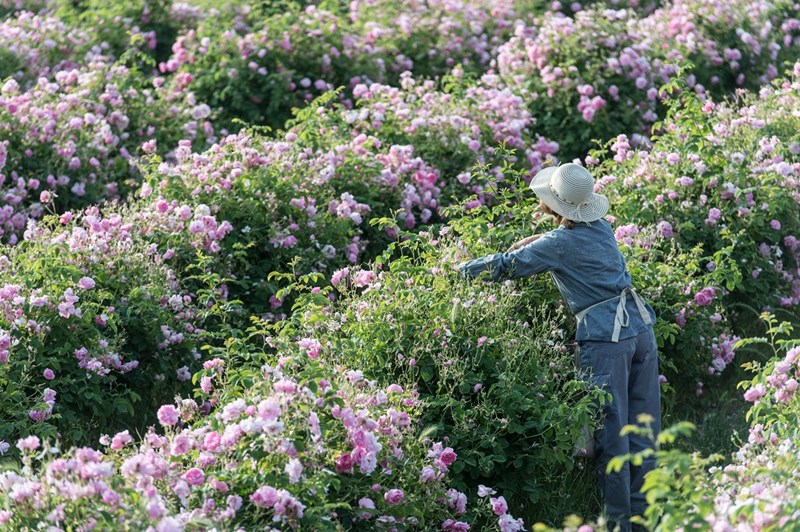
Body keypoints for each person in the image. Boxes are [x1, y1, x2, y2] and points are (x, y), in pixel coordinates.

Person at [457, 163, 661, 530]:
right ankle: (645, 522)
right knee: (644, 433)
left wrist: (456, 271)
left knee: (613, 441)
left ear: (554, 203)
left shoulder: (560, 244)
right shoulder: (600, 227)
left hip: (606, 340)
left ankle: (618, 527)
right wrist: (536, 240)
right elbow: (560, 242)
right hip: (641, 331)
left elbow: (507, 266)